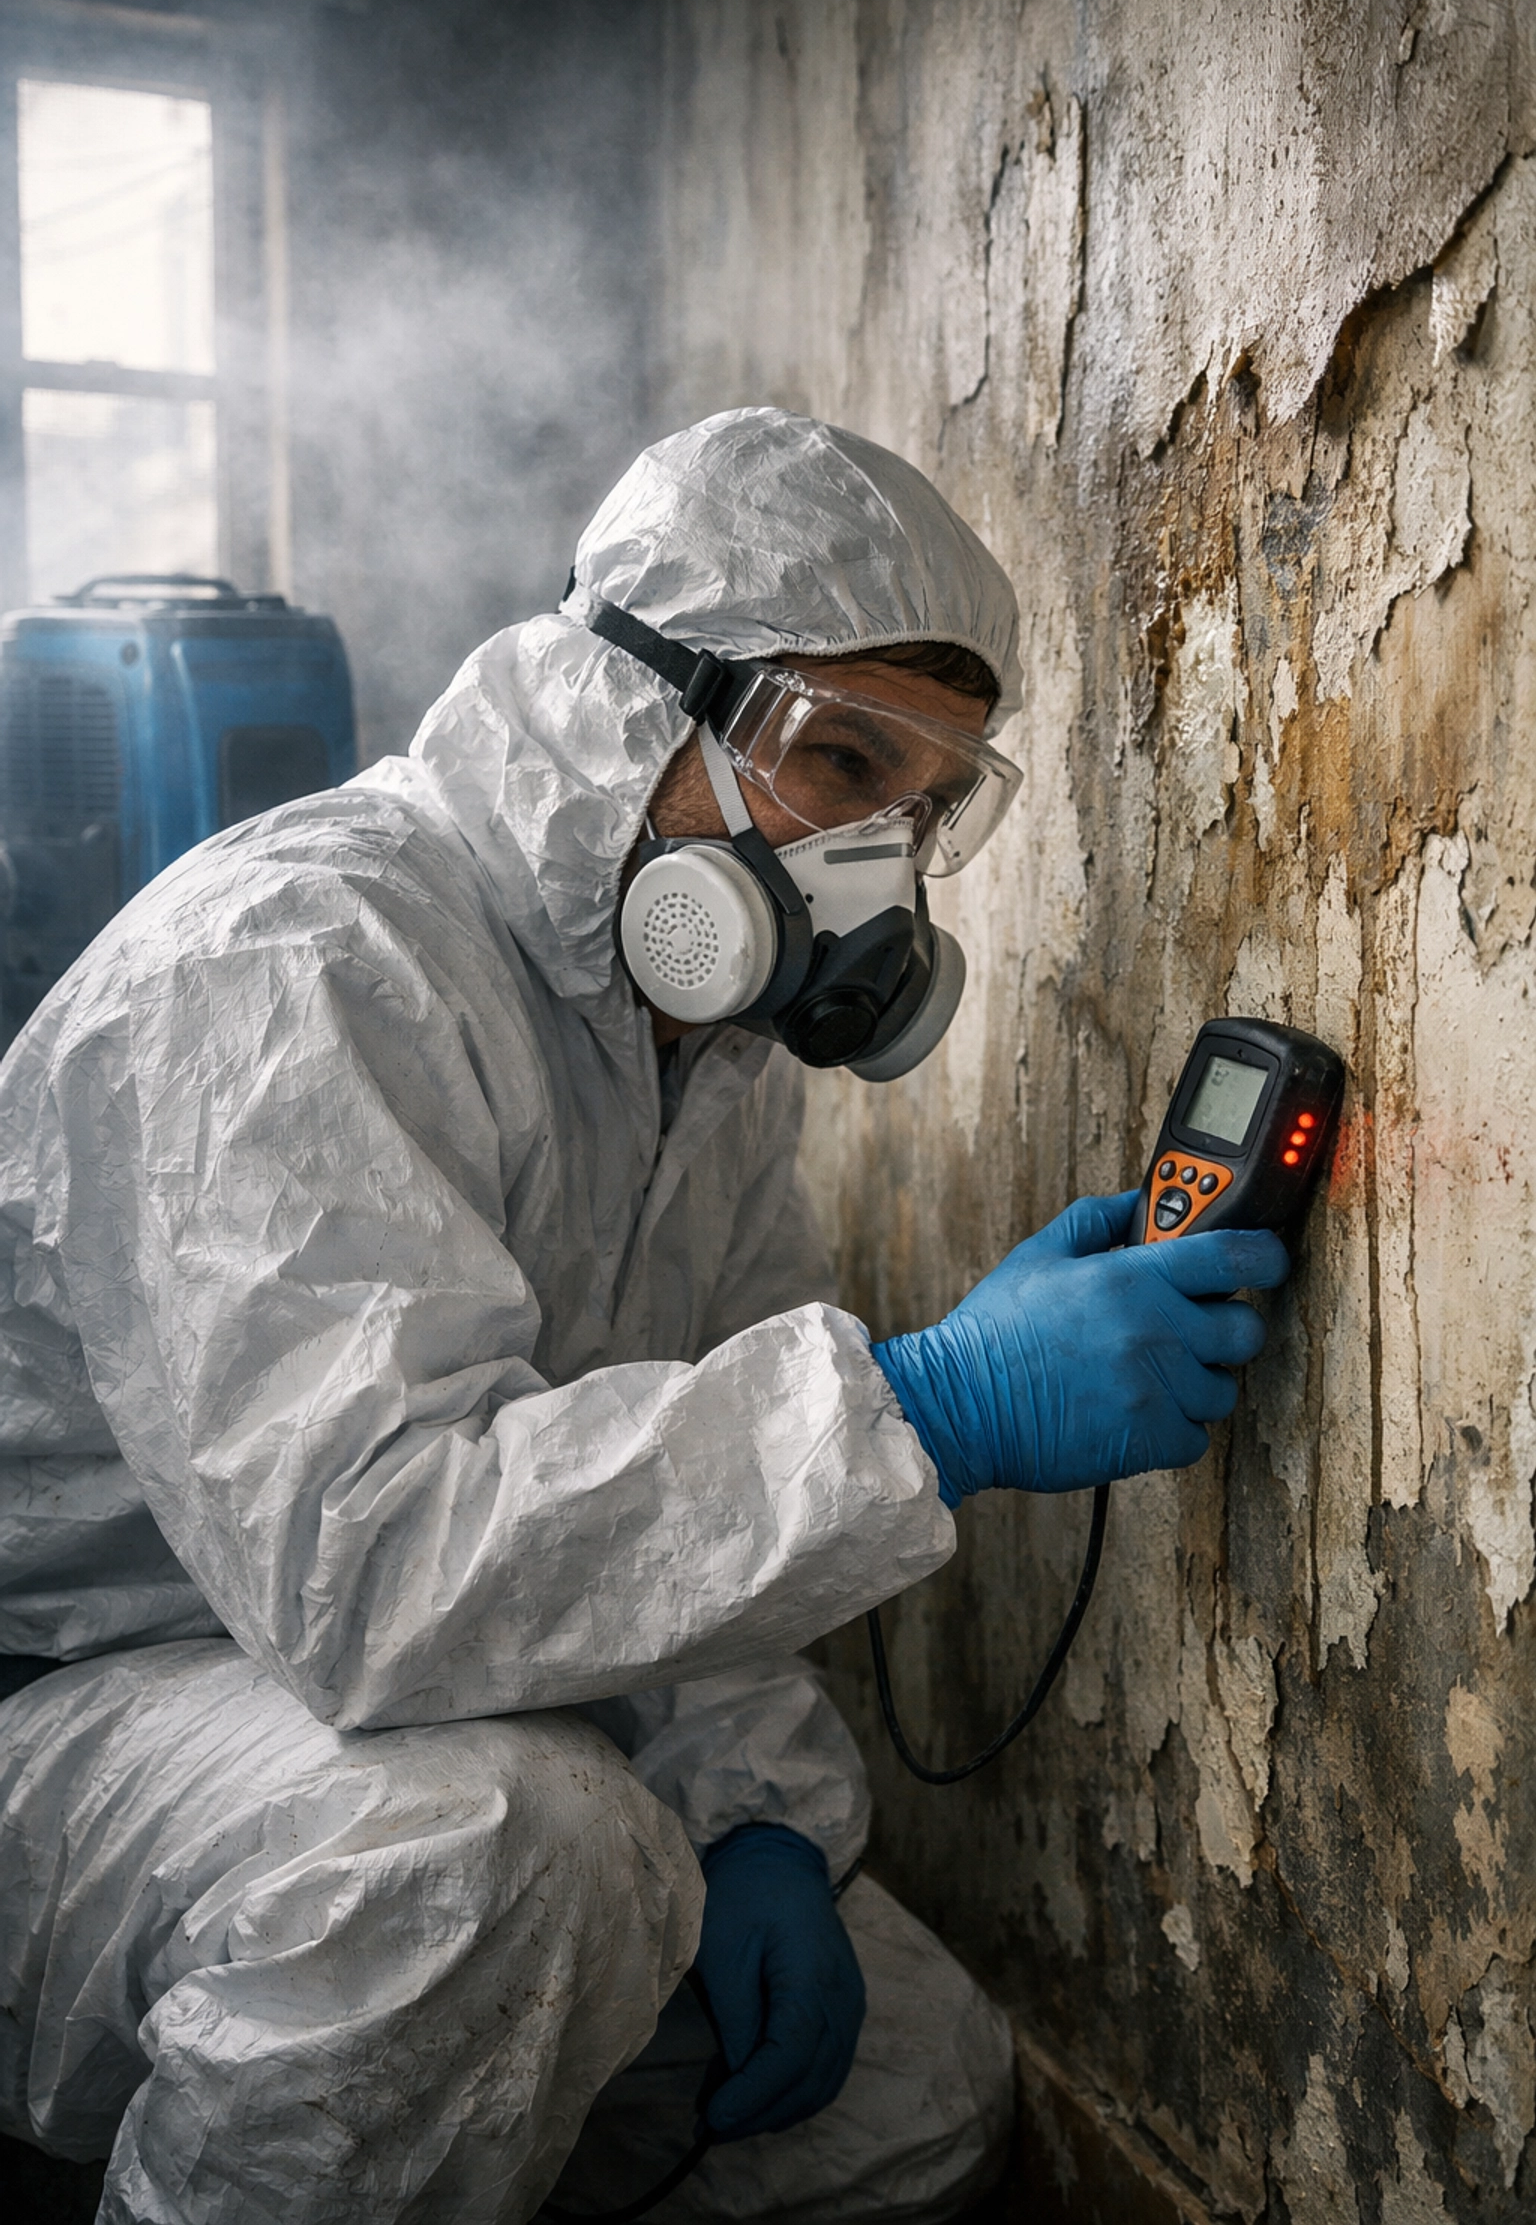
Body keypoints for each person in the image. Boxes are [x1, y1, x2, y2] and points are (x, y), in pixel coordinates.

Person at [0, 409, 1286, 2223]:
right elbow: (375, 1564)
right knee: (499, 1854)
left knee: (908, 2087)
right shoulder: (292, 969)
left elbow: (677, 1481)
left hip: (376, 1712)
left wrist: (755, 1813)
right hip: (80, 1721)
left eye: (922, 808)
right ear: (622, 703)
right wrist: (933, 1406)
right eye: (838, 762)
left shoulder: (706, 1053)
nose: (875, 865)